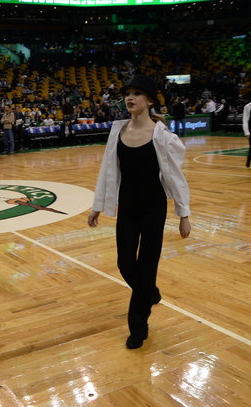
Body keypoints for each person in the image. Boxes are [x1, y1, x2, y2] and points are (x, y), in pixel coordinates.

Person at [88, 75, 191, 350]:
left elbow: (175, 176)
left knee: (147, 265)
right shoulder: (118, 131)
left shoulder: (163, 136)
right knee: (124, 263)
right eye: (128, 93)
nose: (130, 98)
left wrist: (184, 214)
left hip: (154, 207)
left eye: (137, 93)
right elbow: (107, 170)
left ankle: (138, 326)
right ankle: (150, 293)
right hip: (128, 206)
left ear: (150, 101)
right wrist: (97, 205)